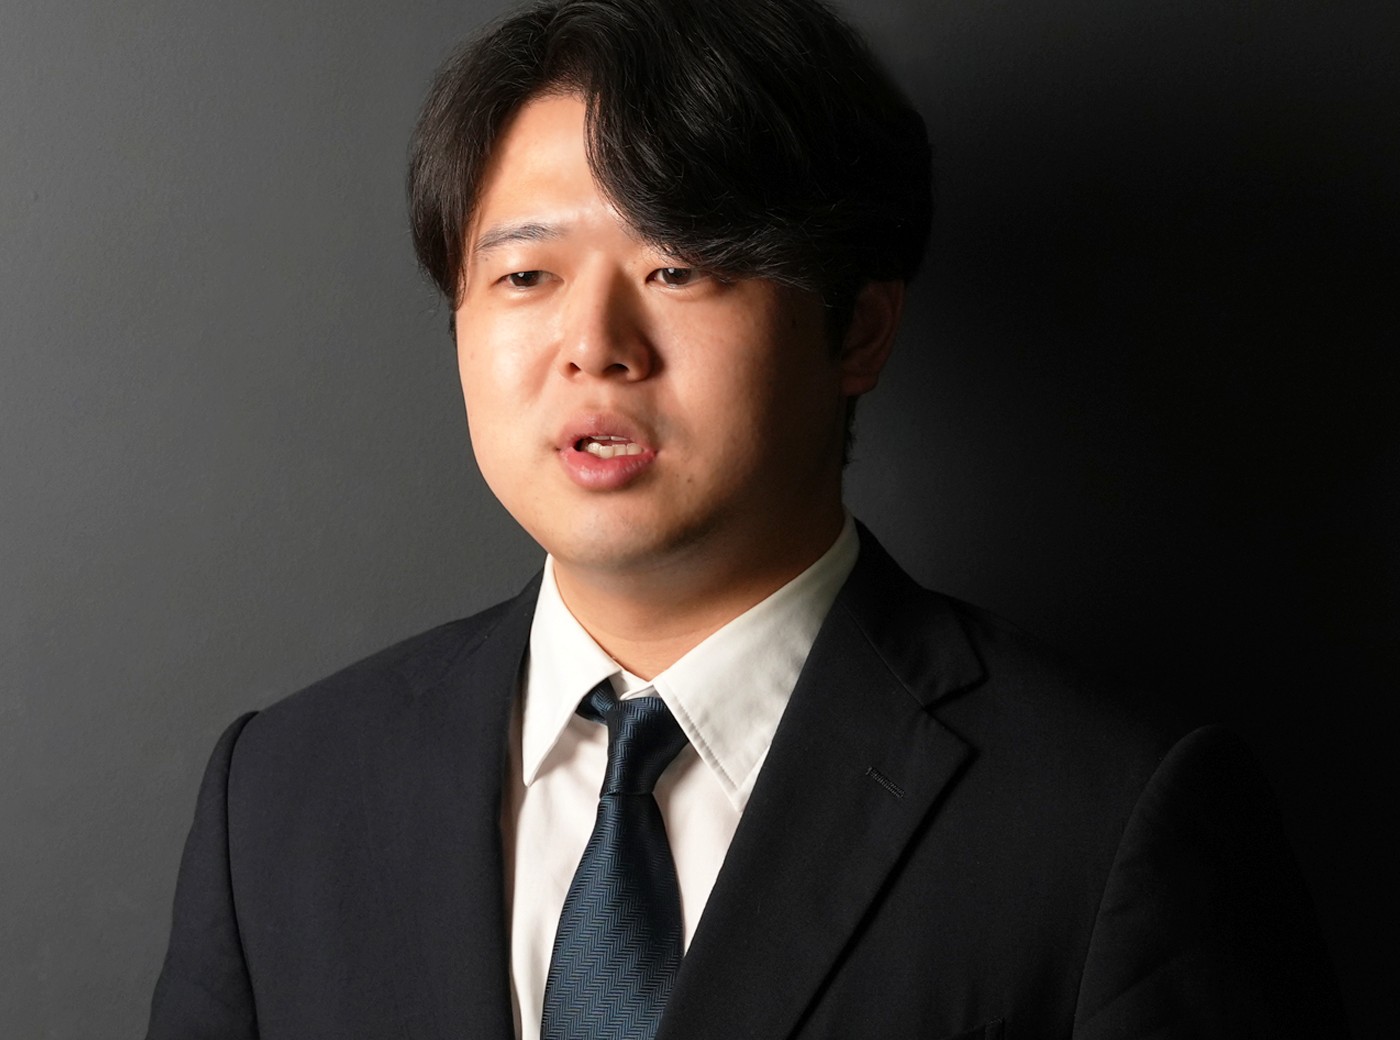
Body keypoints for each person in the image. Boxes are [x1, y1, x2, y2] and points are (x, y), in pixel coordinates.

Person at [146, 1, 1345, 1037]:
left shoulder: (1106, 813)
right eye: (525, 275)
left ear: (856, 328)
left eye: (677, 268)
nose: (594, 346)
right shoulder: (283, 793)